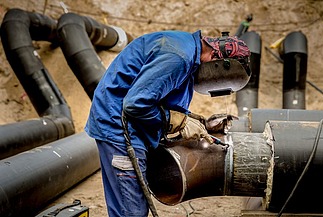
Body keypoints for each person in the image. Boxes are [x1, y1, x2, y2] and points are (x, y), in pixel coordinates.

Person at [84, 29, 250, 217]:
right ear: (216, 61)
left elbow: (161, 98)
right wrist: (176, 121)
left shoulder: (188, 50)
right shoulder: (179, 58)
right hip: (120, 128)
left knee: (133, 205)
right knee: (131, 211)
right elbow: (136, 104)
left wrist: (199, 122)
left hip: (131, 125)